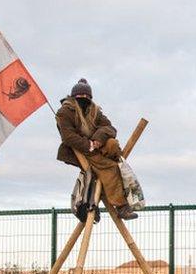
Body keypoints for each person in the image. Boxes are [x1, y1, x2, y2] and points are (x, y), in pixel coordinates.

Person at [56, 78, 138, 220]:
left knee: (112, 143)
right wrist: (89, 145)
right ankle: (121, 206)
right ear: (74, 98)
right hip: (81, 150)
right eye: (81, 97)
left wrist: (97, 140)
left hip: (97, 147)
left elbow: (110, 128)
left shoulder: (94, 111)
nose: (84, 100)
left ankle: (100, 192)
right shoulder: (65, 112)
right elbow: (68, 137)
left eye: (87, 97)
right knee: (110, 167)